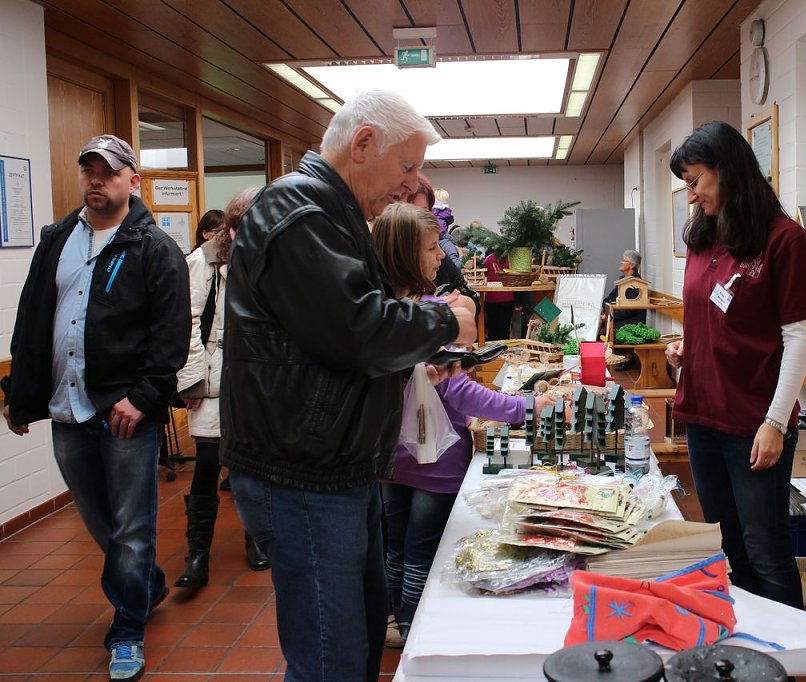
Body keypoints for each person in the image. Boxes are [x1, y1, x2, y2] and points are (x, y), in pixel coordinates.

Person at [220, 90, 476, 682]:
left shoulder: (332, 214)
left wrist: (414, 364)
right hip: (302, 473)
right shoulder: (300, 213)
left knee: (353, 645)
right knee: (330, 657)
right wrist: (445, 323)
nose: (411, 184)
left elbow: (328, 343)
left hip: (334, 466)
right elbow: (359, 330)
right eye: (406, 166)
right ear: (362, 144)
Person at [1, 134, 190, 680]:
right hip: (68, 408)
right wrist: (19, 392)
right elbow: (32, 319)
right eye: (88, 171)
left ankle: (127, 630)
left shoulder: (154, 247)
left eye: (107, 171)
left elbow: (170, 335)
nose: (96, 180)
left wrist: (143, 397)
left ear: (133, 179)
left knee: (131, 527)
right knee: (101, 522)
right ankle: (145, 584)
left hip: (124, 412)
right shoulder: (57, 239)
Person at [664, 121, 806, 609]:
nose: (691, 195)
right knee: (727, 548)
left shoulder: (784, 239)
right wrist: (688, 346)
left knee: (766, 552)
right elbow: (712, 312)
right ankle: (744, 642)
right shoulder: (703, 236)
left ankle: (789, 649)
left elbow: (798, 338)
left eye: (695, 181)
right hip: (702, 416)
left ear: (728, 169)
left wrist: (776, 423)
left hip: (754, 424)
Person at [372, 202, 557, 649]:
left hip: (389, 457)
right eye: (431, 248)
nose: (442, 256)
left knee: (394, 549)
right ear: (406, 255)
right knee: (423, 553)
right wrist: (528, 406)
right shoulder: (433, 314)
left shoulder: (378, 312)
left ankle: (391, 623)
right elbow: (461, 394)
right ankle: (414, 635)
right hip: (436, 461)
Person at [173, 188, 268, 591]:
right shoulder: (203, 261)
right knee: (209, 463)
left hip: (258, 375)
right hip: (215, 372)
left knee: (253, 462)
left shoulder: (271, 257)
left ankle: (256, 537)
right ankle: (197, 552)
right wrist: (192, 379)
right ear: (232, 226)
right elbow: (186, 322)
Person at [402, 172, 480, 313]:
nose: (419, 221)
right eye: (411, 213)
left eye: (424, 212)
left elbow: (471, 297)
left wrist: (461, 305)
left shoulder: (438, 256)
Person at [601, 249, 647, 333]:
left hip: (632, 320)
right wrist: (601, 307)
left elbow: (629, 310)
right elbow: (611, 297)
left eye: (624, 260)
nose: (620, 262)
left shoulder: (637, 284)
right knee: (598, 325)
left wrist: (608, 316)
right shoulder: (623, 280)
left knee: (604, 331)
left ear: (632, 265)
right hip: (621, 316)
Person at [483, 250, 515, 340]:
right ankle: (504, 346)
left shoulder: (488, 259)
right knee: (504, 327)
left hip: (491, 297)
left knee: (492, 327)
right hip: (508, 297)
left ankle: (492, 347)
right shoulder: (511, 259)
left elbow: (485, 275)